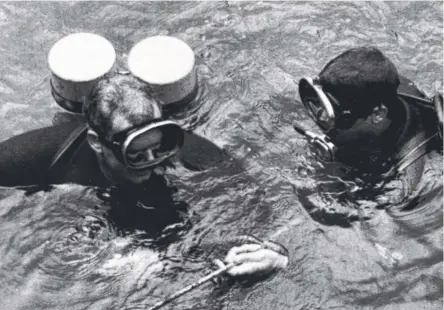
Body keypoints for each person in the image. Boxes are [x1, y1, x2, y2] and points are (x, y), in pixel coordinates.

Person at [0, 72, 288, 276]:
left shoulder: (194, 156)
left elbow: (258, 210)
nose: (152, 163)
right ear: (96, 142)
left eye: (158, 146)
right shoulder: (43, 154)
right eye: (135, 155)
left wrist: (274, 254)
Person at [294, 46, 442, 221]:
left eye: (333, 115)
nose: (320, 117)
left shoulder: (408, 183)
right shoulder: (375, 86)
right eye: (319, 104)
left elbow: (366, 215)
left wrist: (329, 174)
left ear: (377, 114)